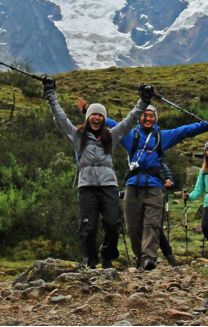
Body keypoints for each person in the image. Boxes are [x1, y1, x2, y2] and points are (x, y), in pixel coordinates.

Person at [78, 97, 208, 270]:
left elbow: (186, 131)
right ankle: (140, 258)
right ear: (139, 118)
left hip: (154, 186)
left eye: (151, 116)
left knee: (152, 224)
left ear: (156, 119)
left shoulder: (163, 137)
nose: (147, 118)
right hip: (132, 186)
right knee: (133, 227)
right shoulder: (130, 135)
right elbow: (115, 123)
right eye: (144, 115)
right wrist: (88, 112)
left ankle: (149, 259)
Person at [43, 76, 153, 269]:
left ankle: (107, 253)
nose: (97, 118)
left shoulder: (112, 135)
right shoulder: (77, 135)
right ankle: (90, 262)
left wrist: (144, 101)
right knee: (88, 227)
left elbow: (130, 120)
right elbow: (60, 119)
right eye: (94, 115)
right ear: (88, 117)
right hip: (86, 187)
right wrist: (50, 93)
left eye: (100, 115)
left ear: (103, 119)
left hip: (108, 185)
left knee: (113, 224)